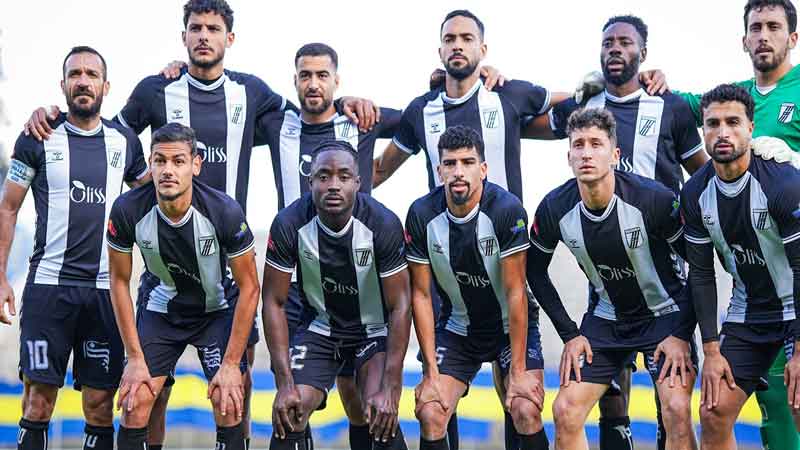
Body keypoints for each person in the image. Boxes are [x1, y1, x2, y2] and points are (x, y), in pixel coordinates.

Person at [521, 15, 706, 450]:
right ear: (568, 155)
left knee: (674, 409)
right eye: (608, 43)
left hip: (665, 299)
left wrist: (683, 331)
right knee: (577, 408)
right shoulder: (557, 203)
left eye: (625, 42)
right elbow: (521, 118)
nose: (615, 49)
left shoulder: (669, 115)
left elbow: (702, 188)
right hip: (608, 306)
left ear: (615, 153)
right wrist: (570, 334)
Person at [638, 2, 800, 448]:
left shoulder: (783, 178)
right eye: (755, 27)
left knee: (795, 402)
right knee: (725, 409)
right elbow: (668, 99)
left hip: (795, 279)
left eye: (774, 26)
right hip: (752, 300)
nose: (763, 35)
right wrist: (647, 77)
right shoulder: (731, 101)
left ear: (793, 37)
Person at [0, 46, 149, 450]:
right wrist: (0, 278)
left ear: (106, 86)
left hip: (105, 293)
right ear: (63, 84)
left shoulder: (125, 143)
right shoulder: (38, 136)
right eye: (75, 74)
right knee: (38, 401)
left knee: (100, 406)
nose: (83, 81)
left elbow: (155, 200)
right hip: (49, 290)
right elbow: (8, 208)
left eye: (91, 74)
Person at [107, 122, 259, 450]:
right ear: (150, 164)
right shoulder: (127, 209)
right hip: (161, 311)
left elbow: (250, 287)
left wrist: (230, 364)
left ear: (195, 165)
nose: (168, 170)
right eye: (159, 160)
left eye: (178, 161)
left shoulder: (224, 211)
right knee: (135, 401)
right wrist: (134, 358)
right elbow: (118, 281)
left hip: (216, 311)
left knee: (228, 400)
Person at [405, 125, 548, 450]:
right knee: (430, 411)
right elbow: (421, 295)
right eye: (450, 163)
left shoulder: (506, 210)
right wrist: (430, 373)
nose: (458, 171)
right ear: (439, 171)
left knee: (525, 407)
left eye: (467, 162)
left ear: (483, 169)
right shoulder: (421, 215)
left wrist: (519, 371)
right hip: (458, 329)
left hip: (508, 328)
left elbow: (516, 293)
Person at [262, 141, 412, 450]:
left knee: (377, 409)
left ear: (358, 182)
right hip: (320, 328)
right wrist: (285, 384)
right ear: (310, 182)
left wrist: (391, 387)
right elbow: (273, 302)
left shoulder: (382, 224)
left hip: (371, 329)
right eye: (323, 176)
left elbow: (400, 304)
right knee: (291, 409)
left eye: (343, 176)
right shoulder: (289, 223)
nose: (333, 185)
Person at [681, 83, 800, 450]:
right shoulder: (695, 193)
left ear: (751, 128)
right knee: (713, 412)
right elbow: (701, 274)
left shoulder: (783, 184)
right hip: (749, 313)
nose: (722, 132)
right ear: (703, 130)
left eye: (733, 122)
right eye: (712, 124)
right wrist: (711, 350)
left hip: (796, 307)